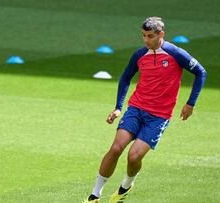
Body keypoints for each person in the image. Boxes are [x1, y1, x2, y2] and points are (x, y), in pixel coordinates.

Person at [83, 17, 207, 203]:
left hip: (158, 116)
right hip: (136, 109)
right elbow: (125, 78)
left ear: (161, 34)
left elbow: (201, 72)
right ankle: (95, 195)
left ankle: (126, 185)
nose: (146, 40)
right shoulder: (140, 54)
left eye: (150, 36)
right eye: (143, 36)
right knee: (116, 148)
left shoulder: (175, 53)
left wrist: (190, 103)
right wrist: (118, 108)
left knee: (134, 157)